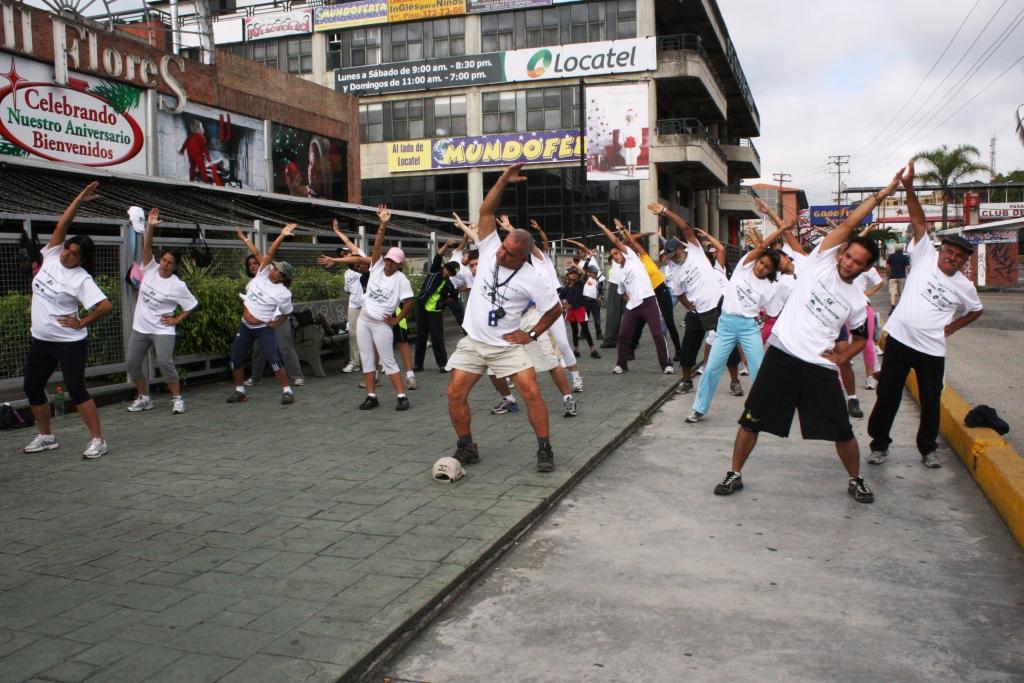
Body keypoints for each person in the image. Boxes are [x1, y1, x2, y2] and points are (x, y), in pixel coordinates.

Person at [714, 165, 908, 505]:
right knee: (751, 419)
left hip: (819, 368)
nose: (848, 263)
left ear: (865, 268)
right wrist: (882, 194)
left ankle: (856, 478)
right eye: (848, 255)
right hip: (783, 356)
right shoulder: (818, 261)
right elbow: (849, 223)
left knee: (842, 430)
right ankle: (734, 473)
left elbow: (862, 337)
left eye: (857, 262)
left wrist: (843, 356)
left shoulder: (856, 301)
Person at [445, 164, 564, 472]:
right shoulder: (490, 248)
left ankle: (544, 449)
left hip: (506, 345)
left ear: (523, 256)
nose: (500, 254)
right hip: (474, 341)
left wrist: (532, 335)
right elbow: (486, 214)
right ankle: (466, 447)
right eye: (502, 249)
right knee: (455, 393)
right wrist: (500, 181)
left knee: (532, 392)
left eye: (509, 253)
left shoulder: (535, 278)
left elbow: (554, 310)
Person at [868, 160, 983, 469]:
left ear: (963, 262)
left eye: (959, 257)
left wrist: (954, 326)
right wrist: (908, 187)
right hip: (901, 341)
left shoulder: (964, 287)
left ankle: (927, 449)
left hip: (932, 349)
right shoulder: (924, 256)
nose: (952, 258)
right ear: (942, 250)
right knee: (887, 396)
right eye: (950, 252)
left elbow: (976, 309)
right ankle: (879, 444)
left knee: (932, 403)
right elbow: (918, 220)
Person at [22, 182, 114, 459]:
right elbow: (63, 222)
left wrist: (81, 323)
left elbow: (105, 305)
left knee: (76, 389)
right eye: (67, 249)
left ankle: (98, 440)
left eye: (74, 254)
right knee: (32, 386)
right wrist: (79, 198)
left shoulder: (81, 279)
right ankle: (46, 436)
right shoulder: (50, 256)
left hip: (68, 343)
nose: (66, 254)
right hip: (41, 340)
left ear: (82, 259)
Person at [686, 221, 790, 423]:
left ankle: (762, 409)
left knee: (759, 369)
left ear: (771, 271)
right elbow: (761, 247)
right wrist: (781, 230)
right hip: (725, 325)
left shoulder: (770, 288)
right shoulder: (743, 267)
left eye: (767, 267)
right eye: (761, 263)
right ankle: (698, 409)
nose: (762, 268)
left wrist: (760, 318)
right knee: (712, 368)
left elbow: (771, 311)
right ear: (757, 260)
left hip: (749, 328)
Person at [125, 208, 198, 415]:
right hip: (141, 327)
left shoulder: (178, 285)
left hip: (162, 330)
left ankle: (177, 398)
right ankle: (144, 397)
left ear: (175, 267)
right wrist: (150, 226)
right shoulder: (149, 268)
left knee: (164, 362)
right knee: (132, 364)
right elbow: (146, 246)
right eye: (164, 261)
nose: (165, 265)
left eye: (170, 263)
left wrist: (176, 320)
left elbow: (191, 305)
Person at [658, 209, 730, 393]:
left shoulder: (695, 250)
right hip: (697, 313)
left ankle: (735, 379)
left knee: (727, 344)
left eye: (675, 253)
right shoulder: (673, 272)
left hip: (716, 308)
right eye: (671, 255)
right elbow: (679, 293)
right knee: (688, 348)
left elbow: (685, 227)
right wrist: (688, 306)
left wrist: (666, 212)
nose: (674, 257)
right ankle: (686, 380)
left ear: (681, 248)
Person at [592, 215, 673, 375]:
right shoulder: (618, 273)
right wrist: (631, 302)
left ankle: (666, 364)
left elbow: (617, 241)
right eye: (613, 255)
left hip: (649, 302)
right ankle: (621, 364)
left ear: (624, 253)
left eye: (617, 253)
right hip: (633, 306)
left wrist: (603, 226)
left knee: (657, 334)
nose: (615, 256)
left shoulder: (633, 259)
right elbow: (622, 293)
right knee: (622, 335)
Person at [227, 223, 298, 405]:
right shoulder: (262, 273)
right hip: (245, 325)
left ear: (282, 277)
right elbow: (269, 253)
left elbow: (288, 313)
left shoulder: (283, 293)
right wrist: (281, 235)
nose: (272, 269)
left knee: (274, 360)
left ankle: (287, 391)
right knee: (235, 358)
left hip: (262, 328)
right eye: (273, 267)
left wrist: (277, 322)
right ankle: (240, 390)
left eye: (277, 270)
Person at [237, 230, 304, 387]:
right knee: (258, 349)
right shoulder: (258, 278)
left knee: (285, 347)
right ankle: (256, 377)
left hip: (277, 318)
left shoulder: (267, 272)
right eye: (250, 264)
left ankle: (296, 375)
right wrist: (243, 238)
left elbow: (260, 252)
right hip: (262, 321)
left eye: (256, 263)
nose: (253, 266)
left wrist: (246, 239)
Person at [414, 239, 460, 372]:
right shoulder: (435, 271)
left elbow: (454, 296)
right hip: (422, 308)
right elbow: (438, 256)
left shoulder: (449, 284)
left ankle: (442, 364)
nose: (448, 273)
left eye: (451, 273)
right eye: (448, 270)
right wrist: (446, 244)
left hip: (435, 312)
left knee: (437, 338)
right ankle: (418, 364)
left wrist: (444, 303)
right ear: (444, 267)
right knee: (421, 337)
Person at [329, 219, 367, 373]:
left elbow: (348, 242)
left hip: (367, 305)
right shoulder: (347, 273)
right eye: (344, 254)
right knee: (353, 334)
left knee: (370, 333)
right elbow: (348, 291)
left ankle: (379, 363)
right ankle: (355, 362)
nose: (346, 254)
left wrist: (338, 232)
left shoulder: (363, 259)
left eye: (348, 252)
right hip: (354, 305)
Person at [559, 267, 600, 359]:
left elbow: (584, 273)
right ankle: (576, 350)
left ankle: (593, 350)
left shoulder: (580, 283)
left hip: (580, 309)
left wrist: (574, 264)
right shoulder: (565, 288)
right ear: (567, 276)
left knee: (586, 330)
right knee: (574, 331)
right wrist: (564, 305)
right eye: (571, 273)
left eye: (575, 273)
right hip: (571, 311)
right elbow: (561, 297)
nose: (573, 274)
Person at [886, 246, 911, 313]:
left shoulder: (891, 256)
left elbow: (887, 267)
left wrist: (888, 275)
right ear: (902, 250)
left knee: (893, 293)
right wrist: (909, 276)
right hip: (902, 277)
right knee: (902, 293)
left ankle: (893, 308)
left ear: (895, 249)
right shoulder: (904, 257)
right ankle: (901, 308)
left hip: (892, 277)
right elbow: (908, 268)